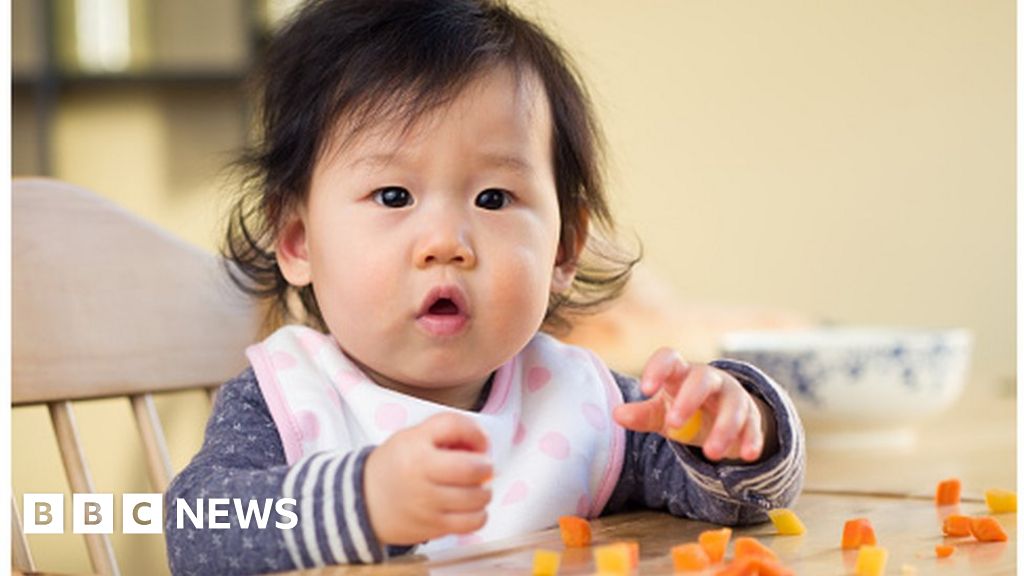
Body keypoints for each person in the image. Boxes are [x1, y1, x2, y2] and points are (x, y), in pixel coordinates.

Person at [165, 1, 805, 573]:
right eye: (394, 195)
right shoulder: (288, 401)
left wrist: (736, 430)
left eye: (494, 197)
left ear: (564, 248)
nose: (446, 241)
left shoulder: (581, 402)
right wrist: (363, 503)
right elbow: (194, 529)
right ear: (299, 240)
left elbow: (742, 503)